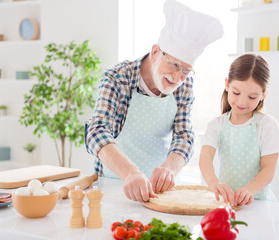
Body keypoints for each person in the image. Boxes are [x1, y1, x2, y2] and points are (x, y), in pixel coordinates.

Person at [85, 0, 223, 202]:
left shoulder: (185, 85)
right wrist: (130, 173)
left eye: (185, 71)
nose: (178, 77)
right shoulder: (118, 77)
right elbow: (97, 131)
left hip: (160, 192)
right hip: (116, 184)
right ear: (156, 52)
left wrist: (169, 169)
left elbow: (184, 136)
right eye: (174, 65)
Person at [199, 54, 279, 207]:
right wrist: (213, 182)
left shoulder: (267, 125)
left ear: (263, 95)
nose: (241, 102)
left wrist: (249, 190)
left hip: (259, 204)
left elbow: (268, 169)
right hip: (228, 204)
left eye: (252, 97)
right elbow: (205, 157)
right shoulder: (216, 125)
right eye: (236, 93)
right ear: (227, 84)